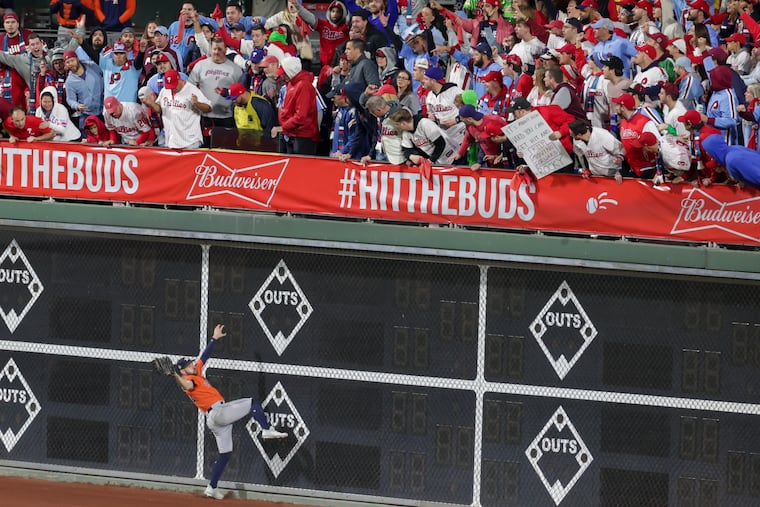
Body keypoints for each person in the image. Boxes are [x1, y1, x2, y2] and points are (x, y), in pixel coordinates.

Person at [165, 324, 287, 501]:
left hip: (214, 419)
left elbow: (204, 357)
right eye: (188, 364)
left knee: (225, 454)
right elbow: (186, 385)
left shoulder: (196, 371)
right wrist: (175, 375)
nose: (192, 364)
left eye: (191, 363)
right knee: (253, 403)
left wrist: (214, 338)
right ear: (183, 370)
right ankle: (266, 429)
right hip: (218, 412)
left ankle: (212, 488)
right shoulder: (188, 379)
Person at [142, 69, 212, 149]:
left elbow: (209, 108)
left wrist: (197, 104)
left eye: (174, 85)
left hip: (190, 141)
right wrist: (151, 104)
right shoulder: (165, 90)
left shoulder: (192, 90)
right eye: (170, 85)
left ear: (179, 79)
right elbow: (159, 109)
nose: (172, 88)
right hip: (171, 140)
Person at [271, 55, 321, 155]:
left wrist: (283, 127)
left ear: (290, 72)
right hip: (292, 135)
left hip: (303, 137)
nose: (282, 76)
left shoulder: (304, 86)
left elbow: (301, 116)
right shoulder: (291, 83)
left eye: (284, 73)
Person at [64, 49, 105, 133]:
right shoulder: (69, 81)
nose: (71, 64)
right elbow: (70, 99)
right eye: (68, 62)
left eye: (72, 60)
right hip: (87, 114)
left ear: (77, 59)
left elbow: (105, 73)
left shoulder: (92, 66)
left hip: (103, 111)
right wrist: (77, 105)